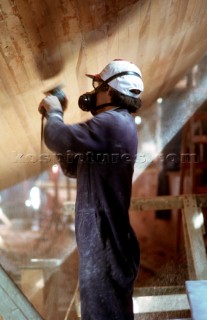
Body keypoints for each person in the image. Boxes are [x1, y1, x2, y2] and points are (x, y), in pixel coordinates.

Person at [39, 59, 144, 320]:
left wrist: (54, 112)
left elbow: (55, 137)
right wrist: (66, 148)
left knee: (103, 314)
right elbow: (74, 168)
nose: (94, 91)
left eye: (98, 85)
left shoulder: (112, 123)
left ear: (110, 89)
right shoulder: (117, 124)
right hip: (103, 240)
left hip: (105, 241)